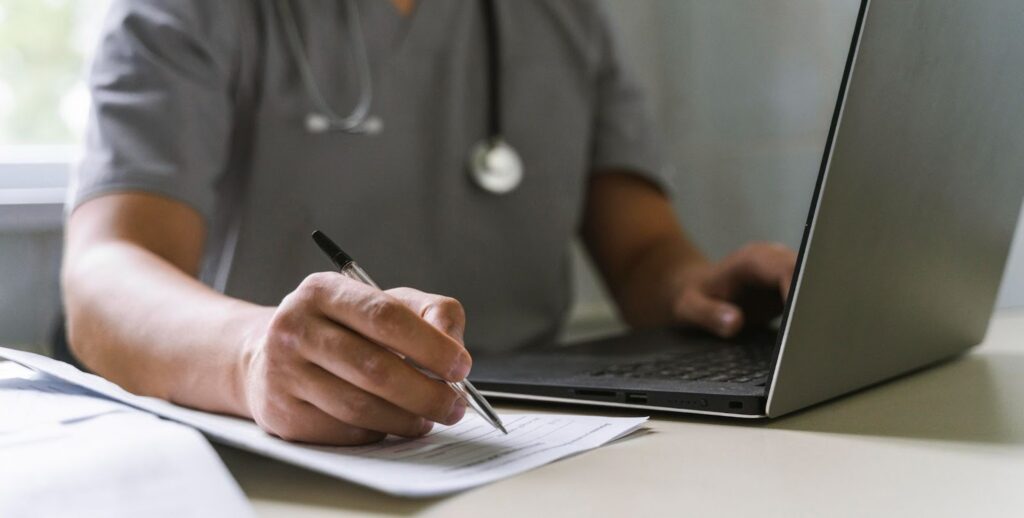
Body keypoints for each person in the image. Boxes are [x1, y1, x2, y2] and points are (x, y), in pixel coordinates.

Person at [62, 0, 796, 445]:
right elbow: (103, 278)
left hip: (545, 445)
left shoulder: (564, 16)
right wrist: (253, 355)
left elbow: (643, 253)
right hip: (296, 453)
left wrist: (700, 290)